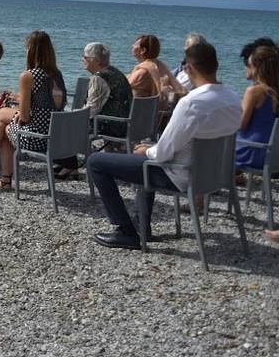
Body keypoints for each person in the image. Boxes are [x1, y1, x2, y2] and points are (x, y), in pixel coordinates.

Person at [87, 41, 241, 249]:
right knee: (142, 159)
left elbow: (162, 153)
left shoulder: (191, 103)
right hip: (215, 175)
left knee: (97, 161)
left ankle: (125, 231)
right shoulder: (232, 98)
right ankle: (142, 226)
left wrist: (145, 149)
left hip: (181, 175)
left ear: (189, 68)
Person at [0, 31, 66, 190]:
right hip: (55, 135)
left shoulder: (29, 75)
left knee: (3, 120)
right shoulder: (57, 74)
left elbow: (26, 117)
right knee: (5, 124)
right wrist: (20, 105)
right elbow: (49, 104)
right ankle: (2, 178)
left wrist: (19, 111)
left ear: (31, 50)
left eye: (27, 48)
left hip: (36, 138)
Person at [53, 42, 133, 179]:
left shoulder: (99, 78)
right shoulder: (116, 72)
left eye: (85, 57)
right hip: (124, 122)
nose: (82, 59)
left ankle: (69, 166)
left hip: (110, 125)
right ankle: (69, 164)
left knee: (62, 123)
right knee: (69, 120)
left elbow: (91, 110)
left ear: (95, 60)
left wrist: (71, 115)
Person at [235, 46, 279, 172]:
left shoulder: (254, 92)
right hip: (273, 154)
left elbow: (241, 125)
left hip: (253, 152)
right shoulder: (274, 92)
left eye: (248, 64)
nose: (245, 67)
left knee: (215, 143)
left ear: (257, 68)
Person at [127, 34, 185, 109]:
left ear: (143, 50)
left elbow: (124, 89)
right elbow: (182, 91)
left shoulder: (142, 71)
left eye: (135, 44)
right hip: (156, 115)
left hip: (137, 114)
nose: (132, 46)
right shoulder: (161, 67)